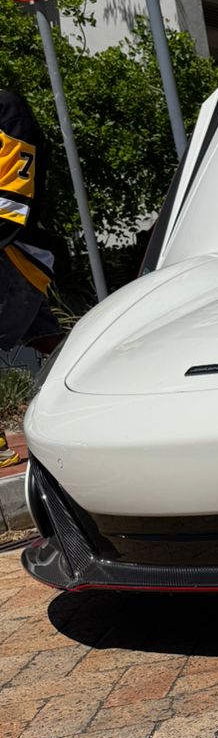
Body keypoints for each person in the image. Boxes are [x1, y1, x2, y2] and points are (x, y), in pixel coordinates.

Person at [0, 87, 60, 465]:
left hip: (17, 250)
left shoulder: (6, 109)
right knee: (51, 340)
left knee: (50, 339)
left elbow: (13, 201)